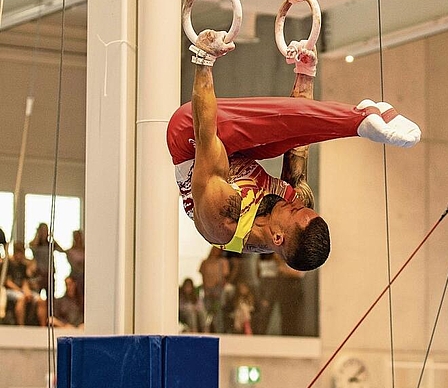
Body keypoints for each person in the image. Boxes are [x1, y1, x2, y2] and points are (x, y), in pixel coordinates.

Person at [167, 30, 421, 272]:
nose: (296, 203)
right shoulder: (298, 202)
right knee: (286, 137)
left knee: (230, 126)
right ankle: (360, 121)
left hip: (192, 138)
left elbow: (206, 135)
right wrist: (305, 73)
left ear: (278, 237)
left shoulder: (223, 218)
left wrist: (203, 59)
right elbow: (297, 139)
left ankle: (358, 121)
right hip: (239, 151)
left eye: (296, 211)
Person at [4, 241, 47, 326]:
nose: (20, 255)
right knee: (21, 298)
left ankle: (43, 326)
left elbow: (25, 281)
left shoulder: (23, 266)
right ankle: (21, 325)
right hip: (10, 291)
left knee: (40, 300)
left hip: (22, 290)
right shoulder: (8, 264)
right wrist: (20, 291)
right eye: (18, 252)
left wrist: (27, 291)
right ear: (15, 252)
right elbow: (7, 282)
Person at [199, 246, 230, 333]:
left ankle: (219, 331)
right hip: (208, 290)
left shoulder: (222, 262)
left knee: (218, 313)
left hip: (218, 291)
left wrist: (219, 289)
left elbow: (224, 277)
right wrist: (206, 289)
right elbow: (203, 276)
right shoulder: (205, 262)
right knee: (206, 312)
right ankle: (205, 330)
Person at [29, 222, 64, 297]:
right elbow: (32, 247)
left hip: (49, 273)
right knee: (37, 295)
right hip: (39, 273)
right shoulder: (36, 244)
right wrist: (38, 235)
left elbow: (61, 250)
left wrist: (52, 237)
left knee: (50, 295)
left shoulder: (50, 244)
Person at [66, 229, 85, 308]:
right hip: (75, 275)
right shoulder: (70, 251)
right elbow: (74, 265)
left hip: (84, 276)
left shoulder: (86, 250)